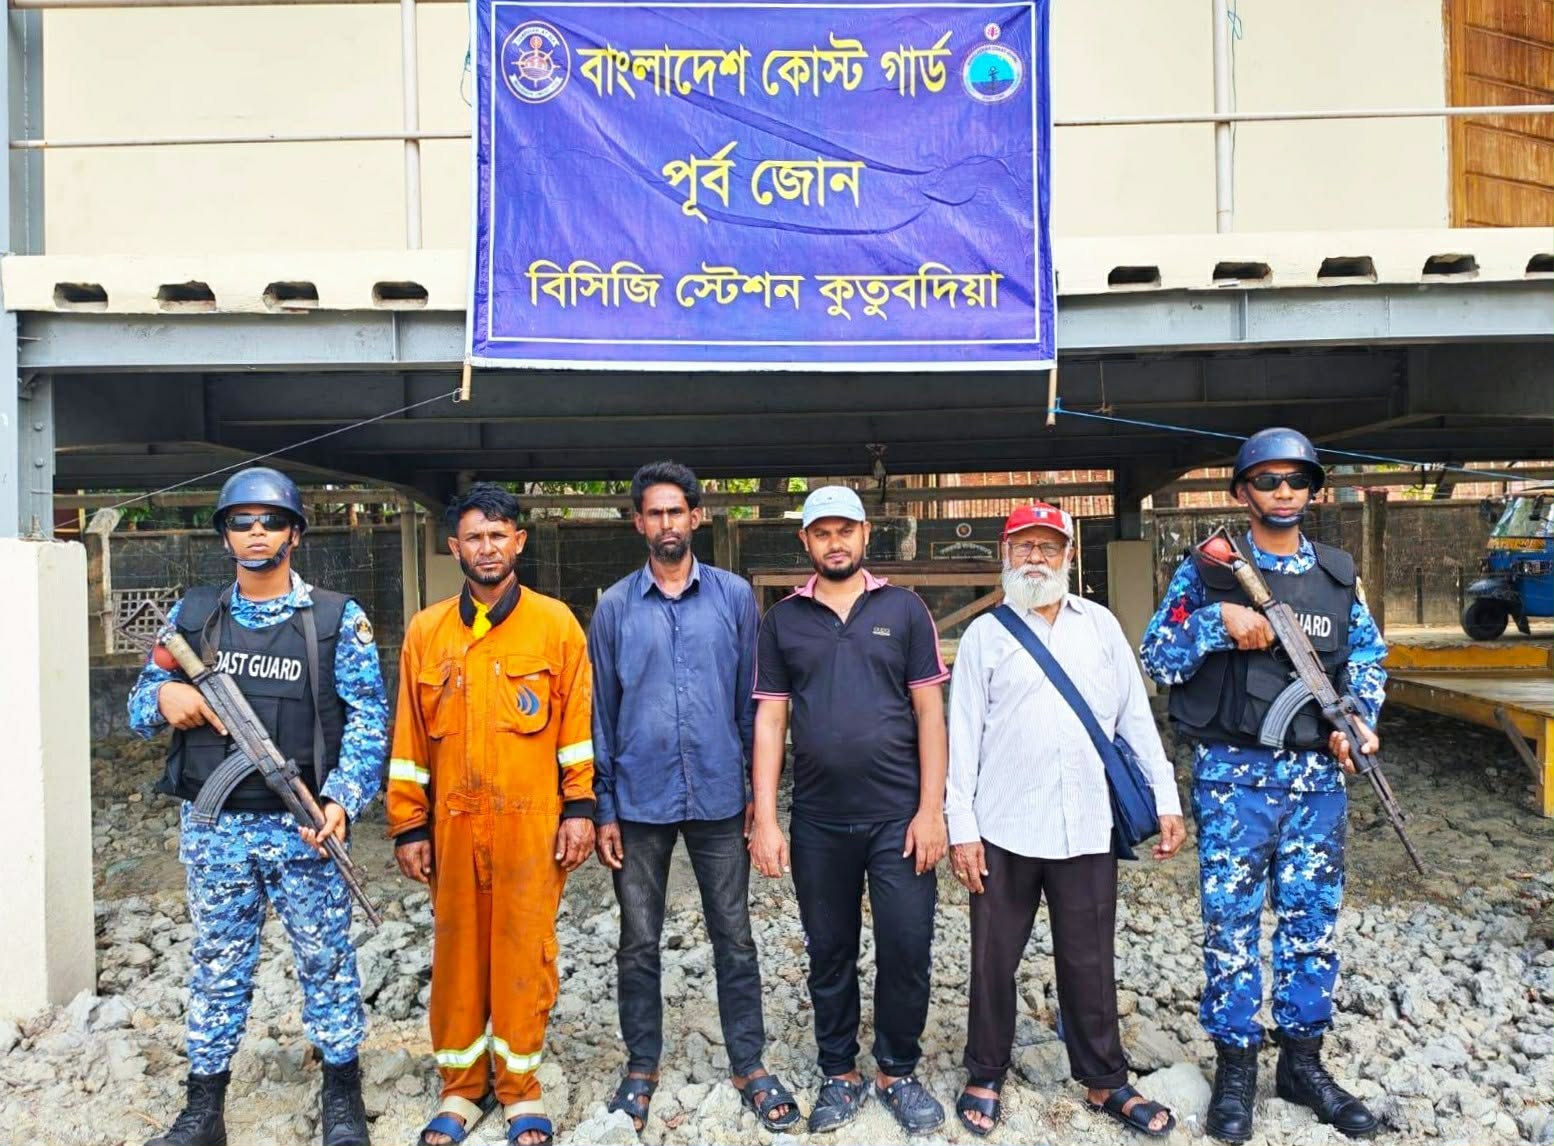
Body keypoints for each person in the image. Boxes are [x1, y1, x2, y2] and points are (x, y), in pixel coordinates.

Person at [127, 466, 388, 1146]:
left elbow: (368, 719)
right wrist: (166, 697)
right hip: (216, 830)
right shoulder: (193, 617)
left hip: (304, 826)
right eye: (240, 522)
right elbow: (139, 704)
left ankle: (341, 1097)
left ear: (294, 534)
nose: (256, 533)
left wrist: (342, 800)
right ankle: (203, 1109)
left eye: (271, 521)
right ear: (225, 537)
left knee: (327, 961)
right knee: (217, 965)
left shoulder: (335, 619)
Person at [1140, 428, 1387, 1144]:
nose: (1283, 492)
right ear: (1241, 491)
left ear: (1314, 489)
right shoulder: (1210, 571)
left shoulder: (1337, 575)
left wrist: (1358, 719)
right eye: (1268, 480)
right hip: (1233, 781)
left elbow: (1367, 658)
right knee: (1232, 927)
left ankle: (1303, 1064)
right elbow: (1157, 655)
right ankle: (1237, 1066)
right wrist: (1215, 622)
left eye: (1296, 480)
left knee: (1311, 924)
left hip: (1316, 782)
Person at [946, 502, 1184, 1139]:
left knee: (1089, 957)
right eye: (1024, 546)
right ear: (1004, 555)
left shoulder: (1100, 627)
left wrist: (1166, 797)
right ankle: (984, 1072)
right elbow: (962, 736)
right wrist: (961, 827)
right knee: (993, 958)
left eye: (1048, 547)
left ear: (1069, 557)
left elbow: (1136, 720)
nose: (1036, 558)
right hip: (1003, 824)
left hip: (1086, 823)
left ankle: (1105, 1079)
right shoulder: (985, 636)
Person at [588, 461, 801, 1134]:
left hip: (717, 794)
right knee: (638, 941)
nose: (666, 523)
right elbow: (600, 712)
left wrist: (757, 795)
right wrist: (603, 806)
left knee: (734, 935)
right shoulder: (614, 607)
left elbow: (753, 703)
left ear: (697, 517)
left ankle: (749, 1064)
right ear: (638, 523)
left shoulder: (734, 598)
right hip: (639, 798)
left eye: (676, 511)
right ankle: (641, 1068)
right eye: (654, 513)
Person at [387, 484, 596, 1146]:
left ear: (518, 543)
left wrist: (580, 808)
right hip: (451, 826)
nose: (487, 547)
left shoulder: (555, 626)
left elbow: (577, 728)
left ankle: (520, 1089)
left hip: (530, 824)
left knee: (523, 954)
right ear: (455, 547)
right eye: (474, 536)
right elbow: (409, 740)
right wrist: (409, 824)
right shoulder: (427, 633)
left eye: (498, 535)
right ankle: (460, 1087)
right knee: (456, 956)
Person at [748, 486, 950, 1136]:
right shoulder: (783, 621)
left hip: (899, 818)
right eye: (822, 532)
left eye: (845, 530)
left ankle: (897, 1070)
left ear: (865, 535)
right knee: (829, 951)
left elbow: (930, 713)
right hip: (819, 821)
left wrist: (931, 810)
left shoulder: (905, 610)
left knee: (906, 946)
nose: (834, 542)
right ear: (805, 542)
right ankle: (839, 1071)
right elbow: (770, 720)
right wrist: (766, 819)